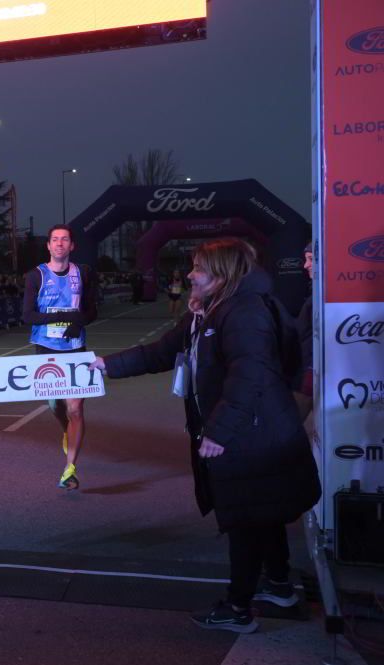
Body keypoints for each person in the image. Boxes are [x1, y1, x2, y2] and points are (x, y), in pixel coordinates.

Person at [91, 237, 320, 634]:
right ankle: (280, 585)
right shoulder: (211, 310)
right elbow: (161, 352)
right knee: (262, 514)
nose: (190, 274)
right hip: (252, 430)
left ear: (221, 274)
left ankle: (238, 608)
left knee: (244, 520)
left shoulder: (244, 312)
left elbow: (252, 374)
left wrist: (220, 430)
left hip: (251, 434)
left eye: (197, 267)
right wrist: (107, 365)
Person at [21, 224, 97, 490]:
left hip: (75, 348)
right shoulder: (35, 276)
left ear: (72, 246)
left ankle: (70, 469)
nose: (60, 243)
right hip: (46, 350)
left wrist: (79, 322)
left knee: (76, 408)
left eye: (65, 239)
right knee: (57, 407)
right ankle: (66, 430)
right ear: (49, 246)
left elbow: (91, 310)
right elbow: (27, 316)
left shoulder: (83, 273)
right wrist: (61, 317)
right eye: (55, 239)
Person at [294, 242, 314, 418]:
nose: (305, 265)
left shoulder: (322, 299)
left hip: (312, 372)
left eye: (310, 259)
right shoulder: (315, 294)